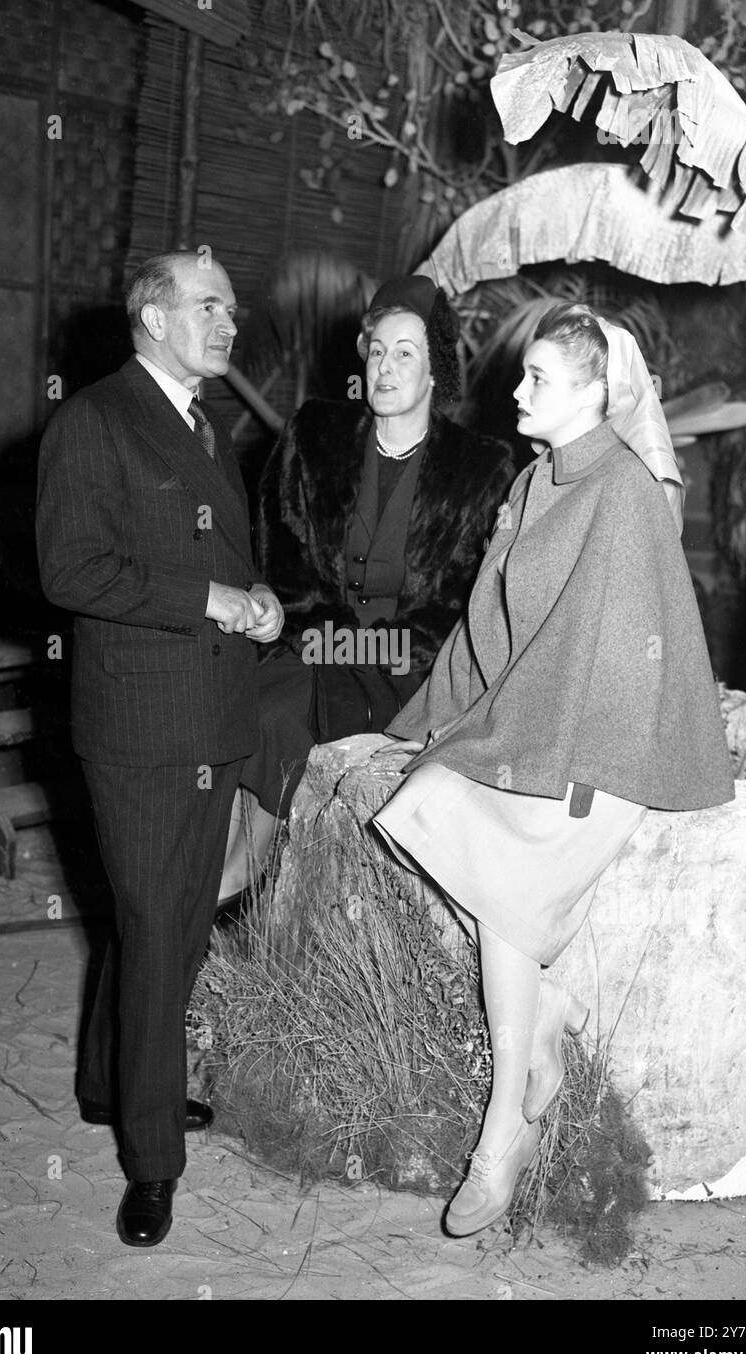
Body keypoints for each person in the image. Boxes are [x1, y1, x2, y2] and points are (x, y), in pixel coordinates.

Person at [372, 302, 734, 1238]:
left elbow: (633, 663)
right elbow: (495, 623)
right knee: (424, 802)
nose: (517, 390)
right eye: (523, 374)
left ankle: (503, 1132)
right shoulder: (539, 479)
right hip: (543, 732)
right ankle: (545, 1016)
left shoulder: (625, 490)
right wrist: (438, 721)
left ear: (597, 393)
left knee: (505, 896)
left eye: (539, 379)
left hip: (605, 756)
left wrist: (549, 759)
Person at [35, 250, 284, 1248]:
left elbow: (210, 554)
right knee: (152, 924)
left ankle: (106, 1083)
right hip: (140, 727)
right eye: (209, 304)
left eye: (232, 302)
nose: (230, 321)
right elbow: (71, 567)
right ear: (151, 314)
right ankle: (152, 1161)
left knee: (170, 924)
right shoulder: (92, 419)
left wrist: (252, 595)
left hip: (211, 716)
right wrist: (212, 599)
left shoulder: (200, 422)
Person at [218, 274, 515, 899]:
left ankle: (234, 896)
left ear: (436, 370)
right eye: (377, 350)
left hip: (410, 672)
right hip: (307, 646)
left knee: (292, 723)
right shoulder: (314, 437)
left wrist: (366, 651)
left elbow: (464, 605)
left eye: (405, 353)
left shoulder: (481, 467)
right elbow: (280, 560)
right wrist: (316, 635)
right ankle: (222, 897)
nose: (385, 367)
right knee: (262, 713)